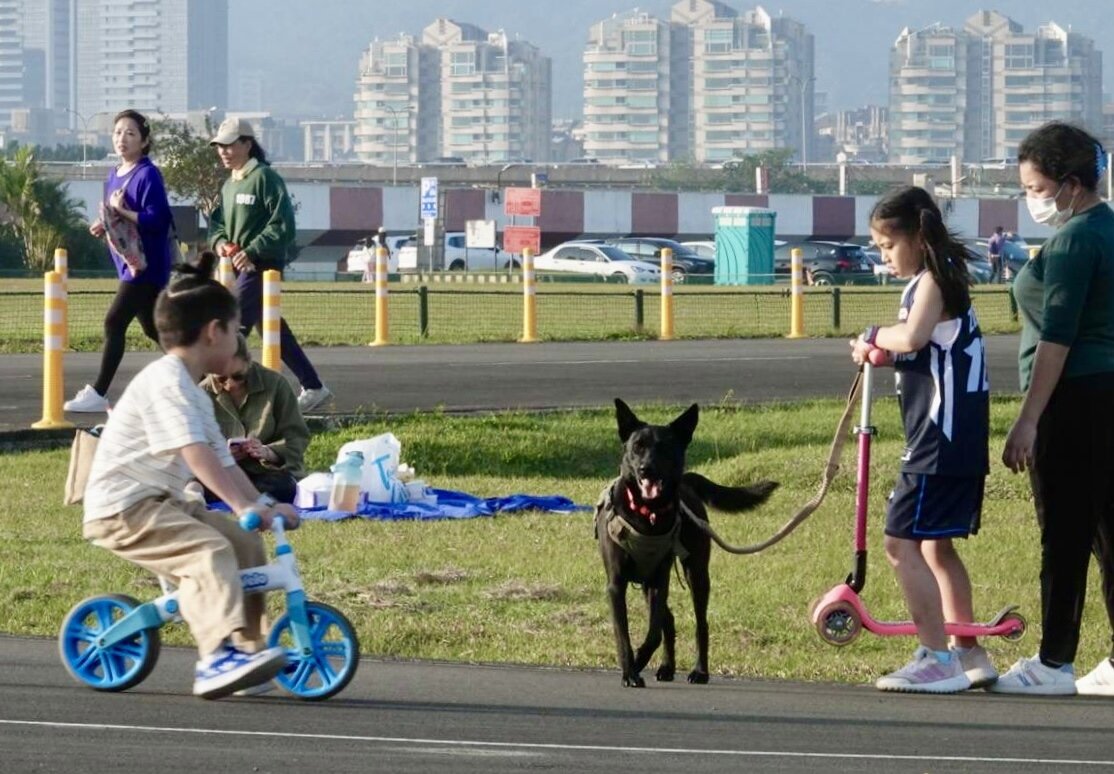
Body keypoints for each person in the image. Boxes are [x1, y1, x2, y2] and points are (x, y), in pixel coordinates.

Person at [81, 251, 298, 700]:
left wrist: (259, 507)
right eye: (237, 331)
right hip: (122, 510)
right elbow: (196, 454)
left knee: (244, 542)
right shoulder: (167, 383)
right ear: (214, 332)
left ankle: (247, 648)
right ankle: (216, 657)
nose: (240, 340)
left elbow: (223, 463)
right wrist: (242, 506)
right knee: (209, 552)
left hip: (160, 503)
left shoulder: (196, 395)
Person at [850, 185, 992, 694]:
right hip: (954, 443)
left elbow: (910, 337)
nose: (883, 256)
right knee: (936, 547)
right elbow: (924, 349)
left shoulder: (934, 282)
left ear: (915, 237)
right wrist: (884, 353)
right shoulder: (935, 285)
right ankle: (969, 649)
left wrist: (872, 337)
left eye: (888, 246)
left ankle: (936, 656)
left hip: (938, 443)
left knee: (898, 543)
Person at [993, 122, 1114, 697]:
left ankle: (1053, 661)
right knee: (1107, 532)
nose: (1031, 198)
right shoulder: (1108, 229)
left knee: (1063, 531)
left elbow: (1056, 339)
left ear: (1069, 183)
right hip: (1108, 396)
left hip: (1073, 399)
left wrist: (1028, 418)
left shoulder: (1072, 241)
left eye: (1035, 186)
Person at [207, 116, 332, 413]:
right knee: (273, 330)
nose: (223, 151)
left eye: (229, 145)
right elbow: (217, 226)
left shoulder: (265, 178)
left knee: (233, 329)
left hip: (261, 268)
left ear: (247, 144)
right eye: (219, 146)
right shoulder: (228, 186)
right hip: (238, 268)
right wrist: (221, 243)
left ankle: (217, 395)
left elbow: (283, 225)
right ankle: (313, 387)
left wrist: (251, 250)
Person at [65, 109, 174, 413]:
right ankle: (204, 380)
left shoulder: (148, 174)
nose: (122, 139)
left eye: (130, 133)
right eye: (117, 133)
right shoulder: (114, 174)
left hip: (145, 266)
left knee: (114, 322)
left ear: (144, 140)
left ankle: (99, 392)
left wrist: (122, 211)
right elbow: (116, 214)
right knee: (156, 330)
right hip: (127, 263)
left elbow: (158, 220)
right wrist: (105, 223)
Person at [200, 334, 308, 504]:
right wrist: (222, 456)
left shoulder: (275, 384)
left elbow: (296, 438)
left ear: (248, 361)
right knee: (191, 483)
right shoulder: (200, 393)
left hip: (264, 473)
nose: (231, 383)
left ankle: (232, 496)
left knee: (284, 487)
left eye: (237, 376)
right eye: (221, 378)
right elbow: (190, 450)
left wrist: (267, 452)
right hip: (221, 475)